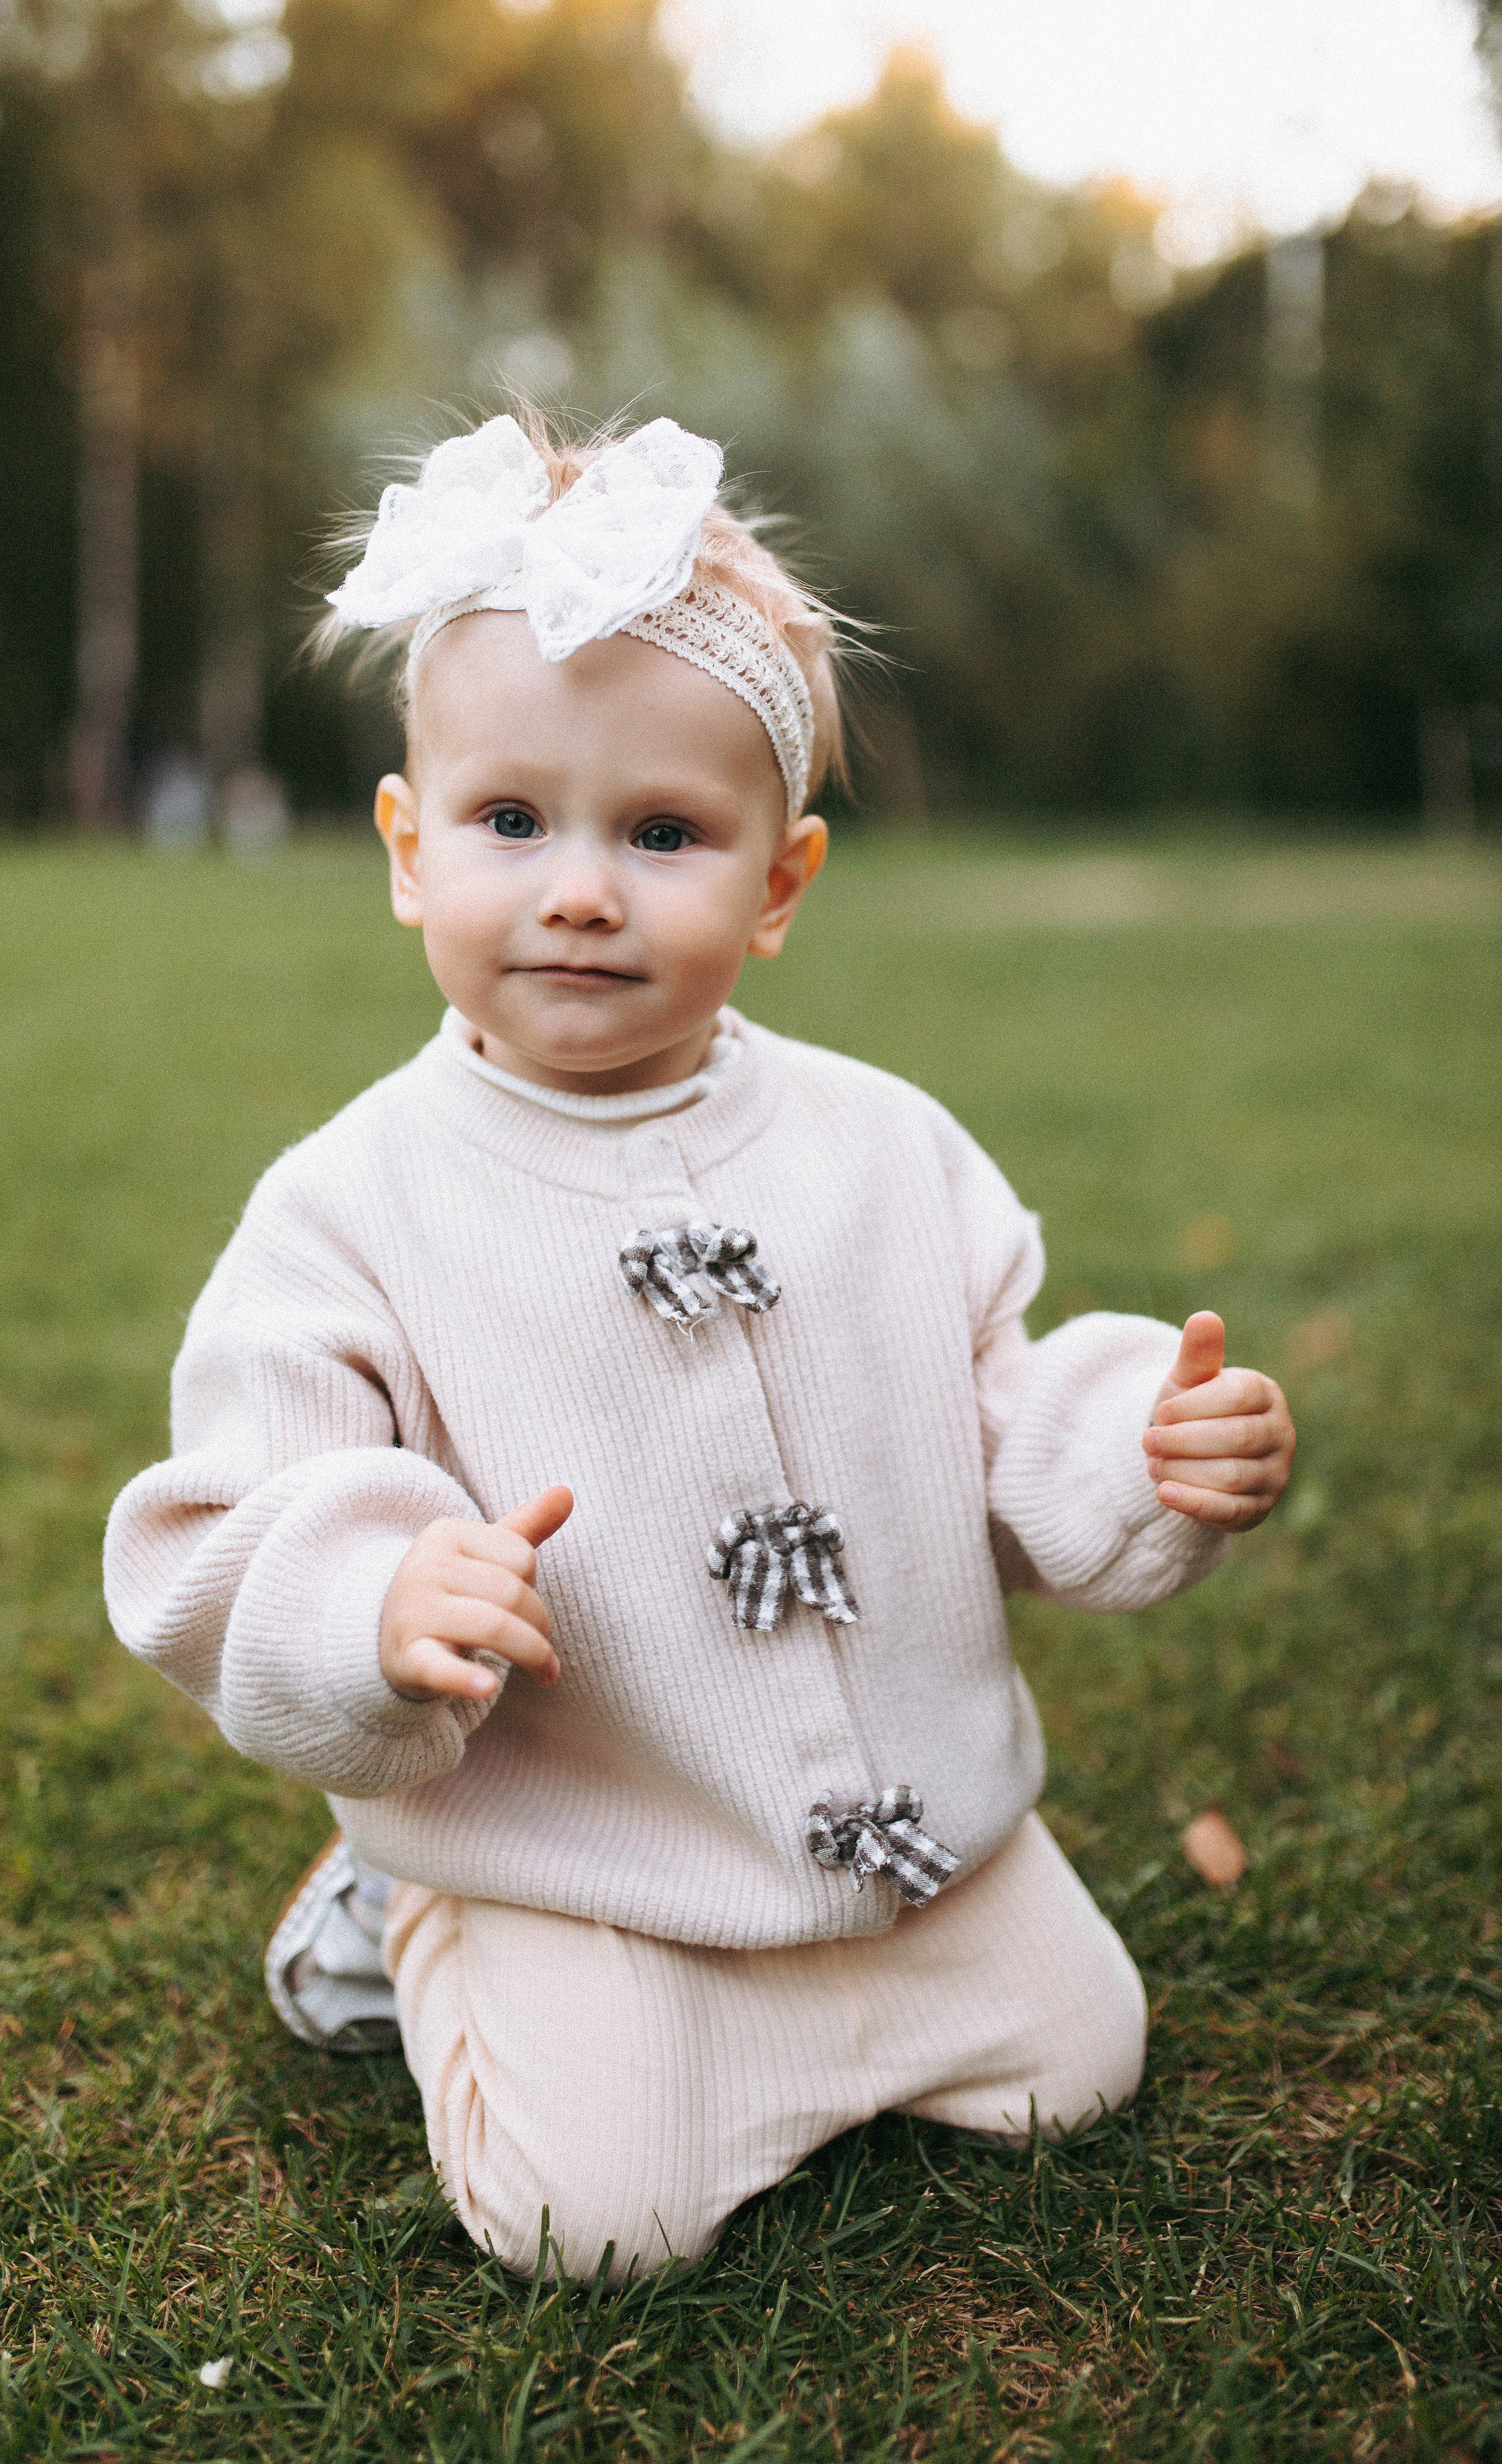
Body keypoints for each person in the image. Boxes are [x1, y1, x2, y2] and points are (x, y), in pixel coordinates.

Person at [104, 409, 1295, 2282]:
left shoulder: (882, 1148)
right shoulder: (352, 1207)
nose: (580, 887)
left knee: (1083, 2063)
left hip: (917, 1836)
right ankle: (405, 1915)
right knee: (598, 2224)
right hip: (595, 1841)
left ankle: (873, 1985)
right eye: (512, 821)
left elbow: (997, 1391)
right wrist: (373, 1605)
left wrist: (1137, 1438)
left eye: (661, 833)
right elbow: (225, 1518)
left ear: (781, 883)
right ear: (411, 850)